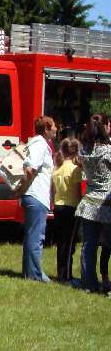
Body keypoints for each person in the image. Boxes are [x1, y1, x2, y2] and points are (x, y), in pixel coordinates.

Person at [75, 115, 111, 293]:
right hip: (106, 203)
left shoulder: (84, 150)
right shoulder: (107, 150)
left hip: (88, 201)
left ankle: (88, 283)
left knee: (88, 245)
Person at [20, 116, 57, 282]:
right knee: (36, 237)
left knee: (31, 235)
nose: (57, 129)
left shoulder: (39, 144)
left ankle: (29, 272)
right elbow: (31, 168)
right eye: (54, 126)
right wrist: (22, 189)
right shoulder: (40, 145)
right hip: (36, 195)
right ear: (47, 129)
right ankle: (35, 274)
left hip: (33, 195)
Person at [51, 137, 82, 283]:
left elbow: (54, 189)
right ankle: (67, 276)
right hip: (71, 206)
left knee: (61, 241)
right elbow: (77, 192)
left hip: (58, 206)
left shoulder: (57, 168)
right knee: (70, 243)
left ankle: (60, 273)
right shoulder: (75, 169)